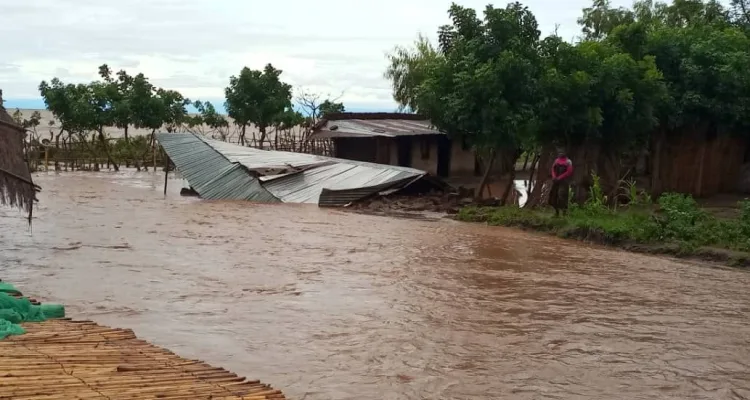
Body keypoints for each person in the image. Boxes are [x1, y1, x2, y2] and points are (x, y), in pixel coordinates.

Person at [549, 150, 573, 216]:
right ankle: (556, 212)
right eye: (560, 153)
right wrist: (554, 176)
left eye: (562, 152)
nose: (561, 154)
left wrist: (559, 178)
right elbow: (553, 169)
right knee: (554, 195)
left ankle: (564, 212)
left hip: (564, 182)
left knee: (562, 195)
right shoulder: (556, 161)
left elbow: (569, 172)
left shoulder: (568, 162)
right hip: (556, 181)